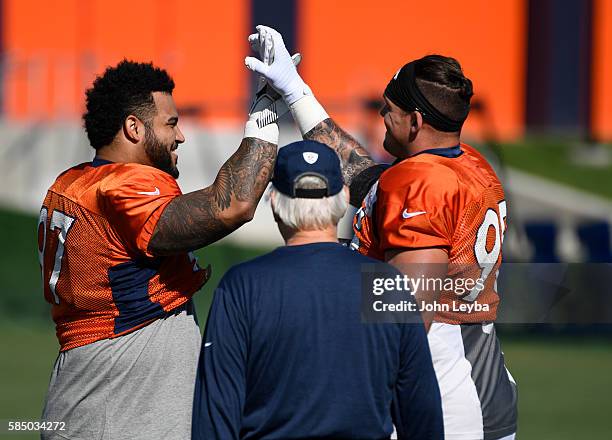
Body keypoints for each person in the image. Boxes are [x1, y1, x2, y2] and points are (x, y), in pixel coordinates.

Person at [246, 26, 518, 440]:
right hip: (477, 377)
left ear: (416, 121)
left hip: (438, 398)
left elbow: (406, 316)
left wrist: (336, 268)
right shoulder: (464, 164)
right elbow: (360, 174)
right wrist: (295, 91)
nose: (380, 116)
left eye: (387, 108)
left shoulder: (420, 183)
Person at [37, 59, 280, 439]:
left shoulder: (75, 181)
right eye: (170, 123)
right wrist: (263, 120)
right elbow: (232, 205)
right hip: (115, 408)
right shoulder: (121, 186)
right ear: (134, 127)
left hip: (93, 390)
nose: (180, 136)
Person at [192, 139, 444, 440]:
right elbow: (421, 413)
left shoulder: (242, 287)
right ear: (344, 197)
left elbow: (216, 418)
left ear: (274, 202)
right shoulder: (387, 285)